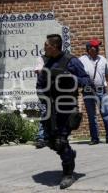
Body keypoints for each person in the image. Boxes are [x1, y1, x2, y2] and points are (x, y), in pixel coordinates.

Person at [36, 34, 93, 189]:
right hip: (51, 108)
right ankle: (69, 154)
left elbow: (86, 81)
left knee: (61, 140)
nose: (44, 47)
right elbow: (40, 84)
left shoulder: (71, 61)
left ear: (54, 46)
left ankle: (68, 174)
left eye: (46, 45)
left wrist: (70, 77)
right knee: (50, 140)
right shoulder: (47, 63)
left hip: (67, 107)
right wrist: (42, 96)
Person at [79, 38, 108, 145]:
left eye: (98, 47)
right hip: (88, 91)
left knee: (106, 114)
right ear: (88, 49)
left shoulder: (103, 59)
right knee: (92, 116)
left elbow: (107, 75)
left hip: (102, 90)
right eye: (95, 47)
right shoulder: (81, 60)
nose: (97, 49)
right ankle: (95, 138)